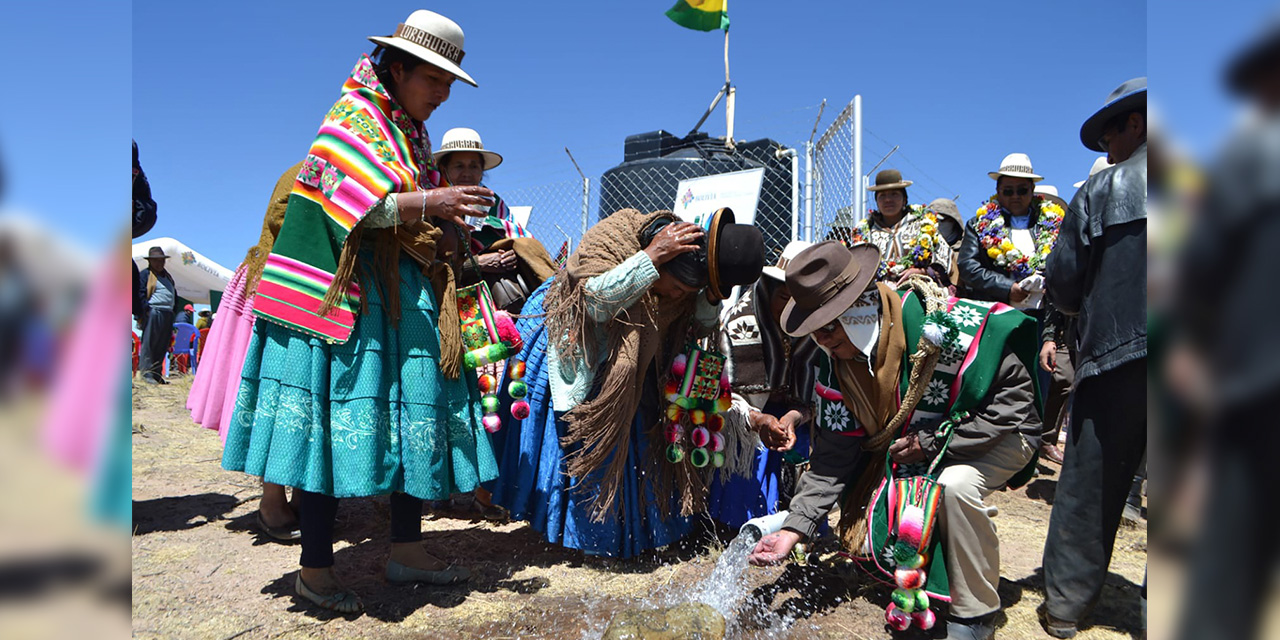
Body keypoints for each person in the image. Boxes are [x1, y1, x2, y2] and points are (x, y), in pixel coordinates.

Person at [221, 10, 500, 614]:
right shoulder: (352, 120)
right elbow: (341, 204)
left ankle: (406, 549)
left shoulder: (414, 136)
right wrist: (432, 200)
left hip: (400, 295)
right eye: (435, 80)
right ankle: (316, 567)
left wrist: (445, 223)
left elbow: (406, 210)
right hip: (345, 301)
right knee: (333, 418)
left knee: (409, 414)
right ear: (397, 68)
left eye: (450, 84)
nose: (443, 94)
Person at [748, 241, 1043, 640]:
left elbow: (1015, 403)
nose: (825, 345)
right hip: (926, 448)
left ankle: (974, 613)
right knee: (910, 481)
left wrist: (938, 443)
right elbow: (833, 460)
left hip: (999, 434)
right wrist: (794, 529)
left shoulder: (943, 325)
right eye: (816, 335)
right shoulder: (837, 367)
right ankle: (910, 574)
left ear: (859, 312)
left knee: (953, 485)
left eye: (830, 331)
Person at [490, 207, 764, 557]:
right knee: (581, 443)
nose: (678, 297)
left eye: (687, 291)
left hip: (635, 365)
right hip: (578, 349)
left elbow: (699, 323)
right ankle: (583, 536)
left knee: (638, 440)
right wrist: (650, 258)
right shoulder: (618, 235)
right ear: (660, 267)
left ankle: (635, 536)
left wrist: (709, 296)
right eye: (676, 288)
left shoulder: (685, 263)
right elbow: (595, 302)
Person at [1040, 77, 1148, 639]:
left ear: (1138, 122)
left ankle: (1063, 608)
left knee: (1090, 482)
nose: (1106, 145)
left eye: (1112, 129)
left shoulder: (1102, 190)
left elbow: (1062, 282)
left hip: (1117, 356)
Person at [189, 163, 303, 542]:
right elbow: (282, 216)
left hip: (294, 287)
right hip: (280, 286)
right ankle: (272, 502)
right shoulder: (316, 166)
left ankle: (300, 494)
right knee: (277, 392)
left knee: (299, 397)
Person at [709, 240, 820, 530]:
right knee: (755, 452)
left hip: (794, 416)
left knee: (813, 450)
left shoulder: (818, 328)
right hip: (745, 419)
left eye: (800, 301)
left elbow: (821, 394)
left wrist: (794, 417)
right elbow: (723, 397)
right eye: (784, 297)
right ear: (768, 289)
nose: (790, 310)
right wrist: (759, 420)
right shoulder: (737, 325)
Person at [434, 127, 556, 313]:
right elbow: (432, 264)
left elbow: (516, 238)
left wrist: (513, 255)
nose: (467, 173)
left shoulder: (494, 205)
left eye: (474, 166)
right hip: (446, 298)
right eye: (459, 166)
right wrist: (479, 263)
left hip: (496, 300)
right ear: (445, 169)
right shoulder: (435, 205)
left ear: (482, 172)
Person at [958, 153, 1066, 309]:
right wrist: (1006, 288)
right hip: (997, 314)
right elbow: (968, 266)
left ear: (1032, 189)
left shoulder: (1053, 224)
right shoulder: (978, 225)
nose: (1015, 196)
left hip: (1045, 313)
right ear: (998, 190)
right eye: (1008, 191)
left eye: (1022, 191)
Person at [846, 169, 952, 286]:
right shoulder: (865, 233)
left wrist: (922, 271)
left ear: (904, 199)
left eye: (894, 194)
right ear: (876, 201)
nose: (888, 200)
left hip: (918, 290)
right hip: (875, 294)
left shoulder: (923, 225)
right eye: (882, 196)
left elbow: (945, 262)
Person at [137, 246, 177, 385]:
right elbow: (140, 293)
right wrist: (145, 310)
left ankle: (156, 374)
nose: (159, 263)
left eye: (161, 260)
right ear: (150, 261)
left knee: (162, 344)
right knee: (150, 344)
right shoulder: (145, 275)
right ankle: (147, 373)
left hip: (167, 312)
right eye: (156, 261)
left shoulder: (167, 276)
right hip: (154, 311)